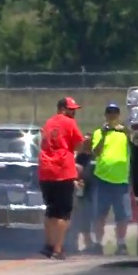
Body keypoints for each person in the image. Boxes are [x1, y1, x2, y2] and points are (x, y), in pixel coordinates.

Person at [38, 97, 85, 260]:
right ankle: (58, 248)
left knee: (51, 209)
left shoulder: (48, 123)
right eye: (71, 109)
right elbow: (79, 144)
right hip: (63, 170)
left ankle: (48, 245)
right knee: (64, 212)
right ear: (62, 109)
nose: (73, 113)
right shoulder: (69, 122)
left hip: (45, 171)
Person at [91, 102, 132, 256]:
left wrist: (126, 130)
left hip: (121, 180)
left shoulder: (124, 133)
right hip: (103, 179)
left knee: (122, 215)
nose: (112, 116)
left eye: (115, 113)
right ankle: (98, 243)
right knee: (100, 214)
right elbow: (96, 152)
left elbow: (135, 141)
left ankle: (121, 243)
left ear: (119, 115)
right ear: (105, 115)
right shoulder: (98, 133)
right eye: (109, 113)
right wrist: (104, 133)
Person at [67, 132, 98, 254]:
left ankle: (91, 244)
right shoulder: (77, 157)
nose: (86, 143)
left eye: (89, 141)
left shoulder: (96, 157)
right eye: (84, 141)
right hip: (79, 192)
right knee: (76, 219)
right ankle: (73, 244)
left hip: (93, 190)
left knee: (88, 219)